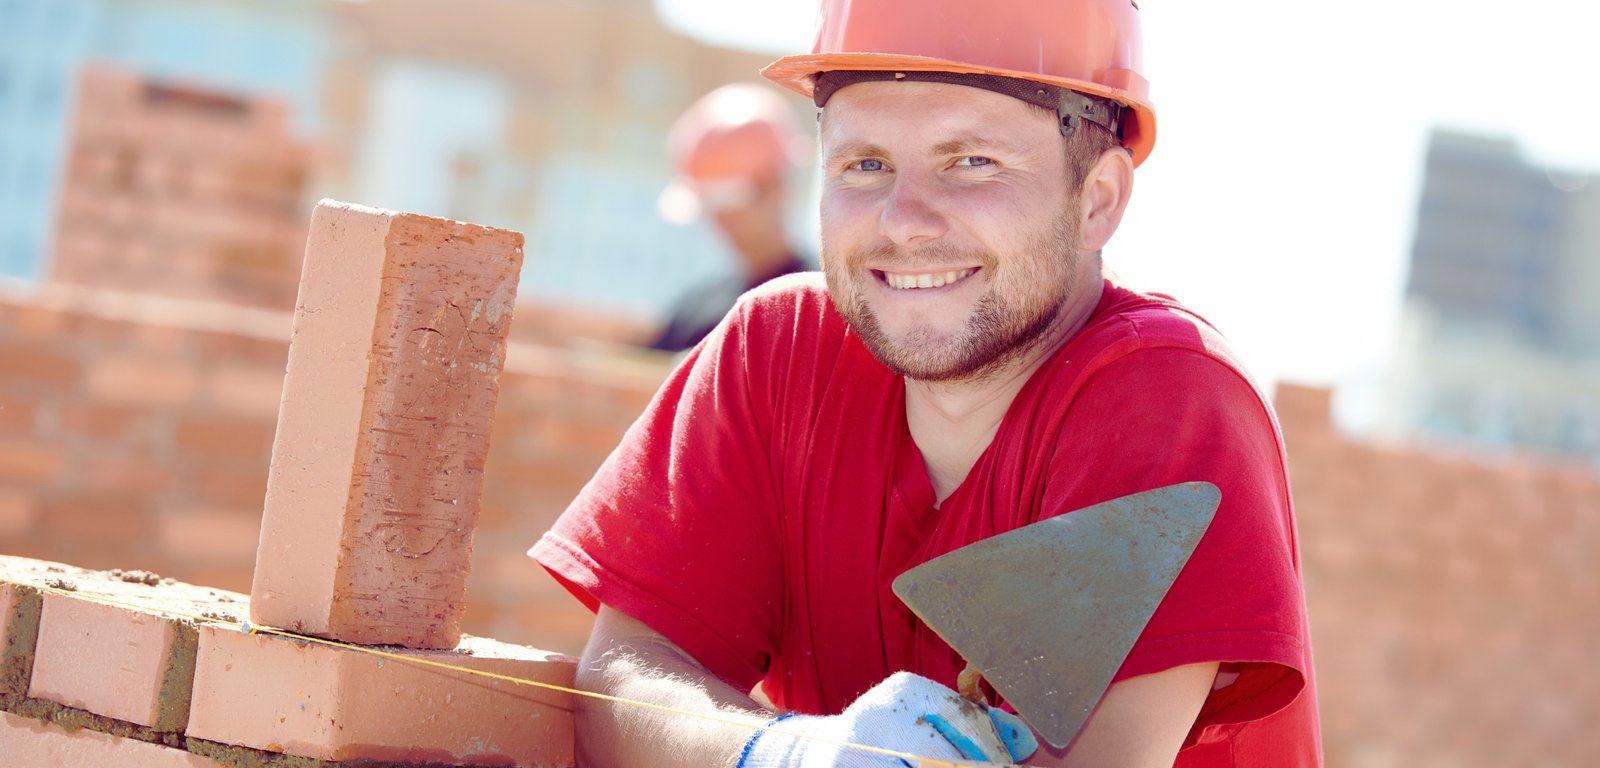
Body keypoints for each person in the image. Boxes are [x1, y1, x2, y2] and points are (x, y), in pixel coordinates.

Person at [531, 0, 1322, 765]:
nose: (904, 220)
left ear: (1098, 200)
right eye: (866, 164)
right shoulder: (776, 351)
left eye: (972, 162)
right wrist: (776, 754)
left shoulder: (1166, 398)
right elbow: (620, 683)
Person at [648, 82, 812, 352]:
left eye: (728, 198)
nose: (720, 217)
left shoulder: (821, 306)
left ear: (776, 186)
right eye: (710, 201)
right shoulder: (695, 308)